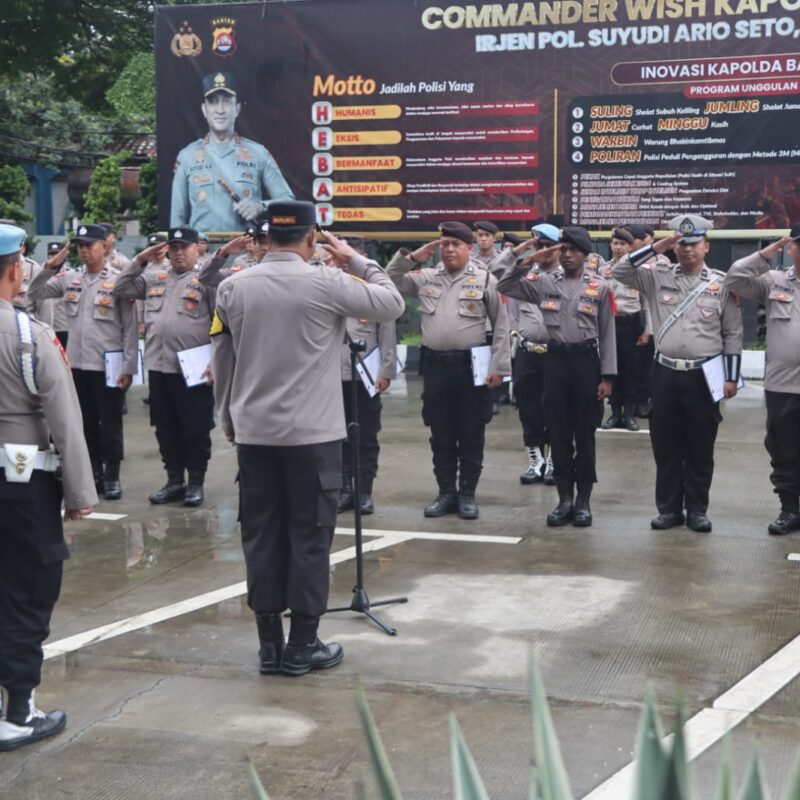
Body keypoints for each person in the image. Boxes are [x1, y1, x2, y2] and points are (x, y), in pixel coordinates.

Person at [211, 201, 403, 677]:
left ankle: (269, 647)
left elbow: (223, 359)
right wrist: (355, 259)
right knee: (310, 537)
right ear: (312, 238)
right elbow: (392, 303)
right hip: (312, 437)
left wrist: (227, 416)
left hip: (255, 434)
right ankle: (303, 646)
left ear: (264, 239)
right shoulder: (326, 281)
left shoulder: (232, 287)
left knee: (261, 537)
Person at [0, 223, 97, 750]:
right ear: (17, 268)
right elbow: (65, 419)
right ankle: (17, 713)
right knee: (27, 593)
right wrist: (81, 493)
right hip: (22, 484)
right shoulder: (29, 333)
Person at [613, 215, 743, 533]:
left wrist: (731, 377)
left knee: (700, 446)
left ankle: (697, 509)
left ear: (706, 246)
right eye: (682, 244)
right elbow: (619, 271)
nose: (687, 250)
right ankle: (669, 509)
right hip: (666, 373)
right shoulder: (657, 276)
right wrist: (657, 246)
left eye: (694, 244)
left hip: (704, 375)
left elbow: (733, 333)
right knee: (666, 445)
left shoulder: (721, 282)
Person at [387, 222, 511, 520]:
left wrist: (500, 367)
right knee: (440, 432)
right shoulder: (426, 277)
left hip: (472, 367)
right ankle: (445, 493)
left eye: (457, 244)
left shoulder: (485, 279)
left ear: (469, 248)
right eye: (445, 244)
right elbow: (390, 278)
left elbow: (502, 325)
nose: (450, 249)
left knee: (471, 431)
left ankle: (467, 494)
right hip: (436, 367)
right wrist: (414, 257)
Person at [497, 226, 616, 528]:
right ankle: (564, 498)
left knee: (585, 436)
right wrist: (528, 256)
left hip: (587, 364)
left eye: (574, 250)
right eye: (563, 249)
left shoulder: (600, 287)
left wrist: (608, 376)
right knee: (559, 434)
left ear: (585, 254)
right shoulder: (545, 282)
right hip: (556, 362)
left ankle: (584, 500)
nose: (567, 255)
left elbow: (608, 333)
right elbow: (506, 283)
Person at [29, 223, 138, 500]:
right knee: (85, 423)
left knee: (111, 423)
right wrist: (50, 267)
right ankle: (95, 473)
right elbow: (35, 292)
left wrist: (129, 367)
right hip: (77, 366)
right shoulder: (70, 278)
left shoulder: (119, 281)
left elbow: (130, 327)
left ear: (104, 246)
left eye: (89, 245)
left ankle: (112, 475)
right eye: (80, 246)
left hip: (108, 367)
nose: (84, 251)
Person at [113, 227, 217, 507]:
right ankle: (174, 481)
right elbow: (120, 288)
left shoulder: (208, 280)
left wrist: (216, 363)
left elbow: (222, 326)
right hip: (160, 367)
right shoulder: (154, 278)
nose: (179, 252)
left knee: (195, 429)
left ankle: (195, 482)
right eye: (174, 247)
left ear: (198, 248)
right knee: (165, 428)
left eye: (185, 246)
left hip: (194, 370)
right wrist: (141, 260)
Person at [723, 226, 800, 535]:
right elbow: (734, 279)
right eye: (798, 244)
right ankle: (790, 509)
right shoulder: (775, 281)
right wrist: (767, 252)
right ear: (791, 248)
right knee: (783, 449)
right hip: (783, 384)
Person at [170, 72, 294, 232]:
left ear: (237, 109)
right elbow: (176, 221)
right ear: (204, 110)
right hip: (203, 252)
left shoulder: (258, 153)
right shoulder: (187, 156)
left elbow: (288, 201)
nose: (220, 110)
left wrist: (260, 207)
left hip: (247, 251)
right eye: (213, 103)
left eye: (227, 102)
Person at [336, 236, 397, 516]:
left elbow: (387, 332)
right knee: (338, 438)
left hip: (365, 376)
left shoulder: (372, 290)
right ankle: (343, 489)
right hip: (331, 378)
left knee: (366, 436)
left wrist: (386, 370)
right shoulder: (327, 286)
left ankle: (363, 492)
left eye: (349, 258)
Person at [502, 223, 562, 485]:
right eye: (540, 245)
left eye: (549, 246)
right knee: (528, 408)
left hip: (556, 353)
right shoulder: (524, 274)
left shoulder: (568, 275)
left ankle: (554, 460)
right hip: (528, 351)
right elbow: (509, 301)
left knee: (556, 408)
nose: (544, 251)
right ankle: (535, 458)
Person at [600, 227, 650, 432]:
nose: (618, 247)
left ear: (630, 247)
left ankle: (629, 415)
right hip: (609, 324)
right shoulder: (602, 269)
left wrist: (647, 330)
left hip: (632, 324)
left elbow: (647, 303)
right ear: (610, 245)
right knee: (612, 370)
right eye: (615, 243)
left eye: (622, 244)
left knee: (631, 372)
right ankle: (614, 414)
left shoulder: (640, 270)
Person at [625, 224, 670, 419]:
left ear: (644, 240)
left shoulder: (661, 261)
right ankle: (631, 402)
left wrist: (649, 329)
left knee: (646, 366)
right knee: (630, 366)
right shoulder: (626, 262)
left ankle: (645, 401)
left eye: (632, 240)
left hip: (654, 318)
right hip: (631, 317)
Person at [198, 224, 263, 288]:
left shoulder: (269, 266)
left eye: (265, 242)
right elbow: (205, 278)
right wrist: (223, 252)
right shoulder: (239, 261)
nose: (265, 247)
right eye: (248, 240)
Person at [13, 239, 54, 326]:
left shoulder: (33, 269)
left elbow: (45, 307)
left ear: (23, 249)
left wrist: (45, 334)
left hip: (26, 330)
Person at [46, 242, 69, 348]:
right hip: (45, 326)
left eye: (57, 254)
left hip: (63, 326)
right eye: (51, 255)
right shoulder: (41, 275)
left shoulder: (70, 275)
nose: (54, 257)